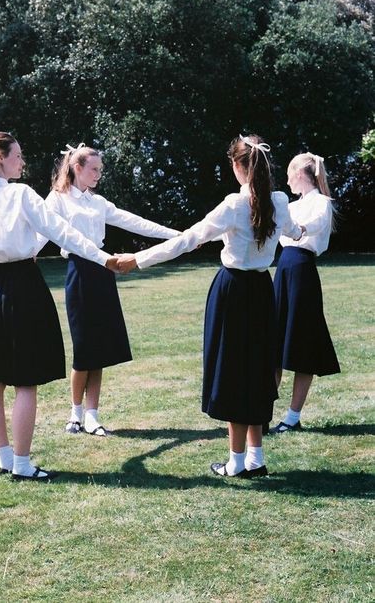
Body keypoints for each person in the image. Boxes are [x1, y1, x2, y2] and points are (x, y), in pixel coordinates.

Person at [116, 135, 304, 477]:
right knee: (258, 370)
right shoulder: (279, 199)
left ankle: (236, 462)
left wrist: (137, 260)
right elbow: (295, 230)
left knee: (234, 371)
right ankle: (255, 458)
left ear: (236, 166)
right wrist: (298, 228)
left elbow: (188, 239)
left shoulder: (234, 204)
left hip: (232, 291)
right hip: (263, 290)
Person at [0, 132, 118, 482]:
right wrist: (104, 258)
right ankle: (22, 463)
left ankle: (6, 460)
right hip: (23, 289)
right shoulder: (20, 194)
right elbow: (64, 233)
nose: (22, 161)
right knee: (25, 382)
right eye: (17, 155)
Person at [43, 143, 180, 437]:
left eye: (100, 170)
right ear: (77, 168)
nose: (98, 175)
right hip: (78, 273)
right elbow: (38, 230)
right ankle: (75, 413)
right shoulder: (57, 199)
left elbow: (135, 222)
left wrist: (178, 236)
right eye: (94, 169)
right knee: (83, 348)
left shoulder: (98, 202)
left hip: (103, 272)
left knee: (101, 347)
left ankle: (92, 415)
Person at [269, 153, 340, 434]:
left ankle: (292, 417)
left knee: (301, 342)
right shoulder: (290, 204)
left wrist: (297, 230)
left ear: (300, 173)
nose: (286, 179)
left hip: (302, 270)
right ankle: (262, 414)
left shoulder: (322, 203)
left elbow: (316, 227)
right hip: (284, 268)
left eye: (289, 173)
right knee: (274, 344)